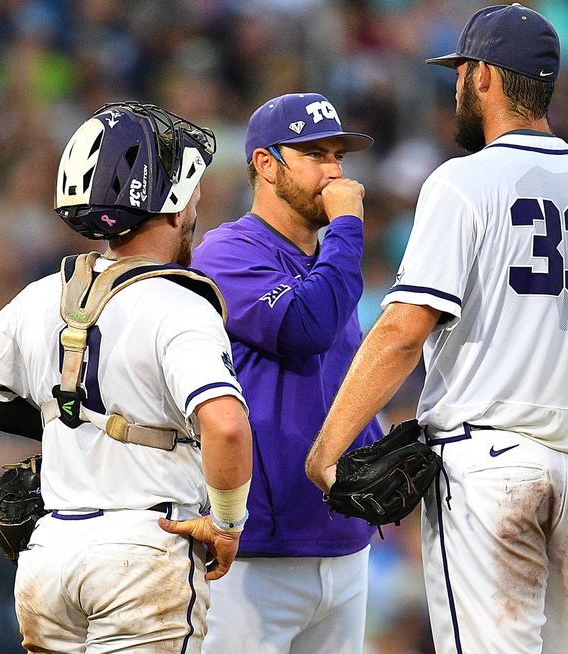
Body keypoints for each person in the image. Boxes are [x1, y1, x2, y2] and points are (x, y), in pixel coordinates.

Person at [306, 5, 568, 654]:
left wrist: (327, 447)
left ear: (484, 78)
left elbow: (403, 331)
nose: (456, 86)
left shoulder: (463, 183)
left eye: (460, 72)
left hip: (489, 467)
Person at [0, 102, 253, 653]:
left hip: (50, 555)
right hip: (143, 553)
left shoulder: (42, 294)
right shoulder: (179, 304)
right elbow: (226, 426)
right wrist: (228, 522)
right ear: (174, 204)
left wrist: (64, 424)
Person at [188, 92, 383, 654]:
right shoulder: (226, 252)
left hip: (344, 543)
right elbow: (306, 327)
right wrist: (347, 226)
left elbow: (338, 377)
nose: (334, 172)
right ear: (266, 165)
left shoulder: (328, 263)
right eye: (315, 154)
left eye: (338, 157)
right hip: (255, 555)